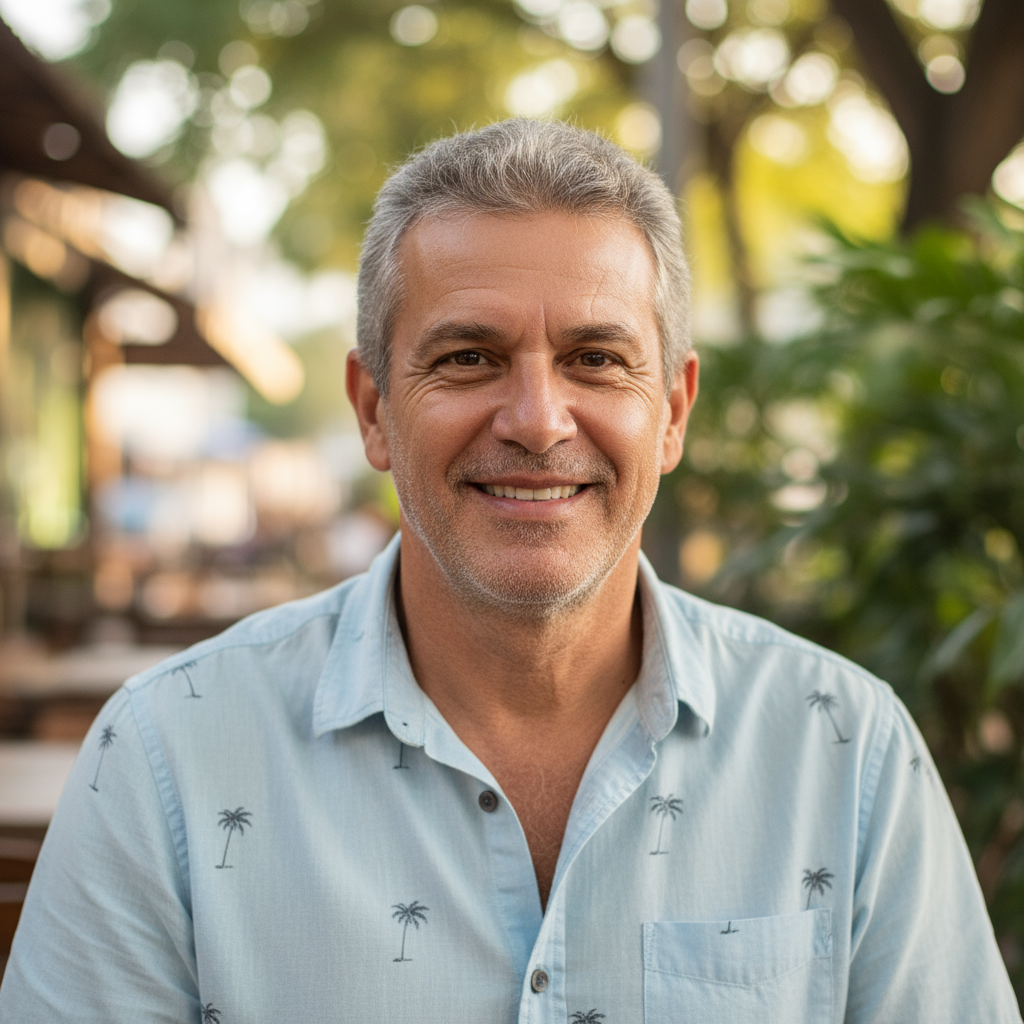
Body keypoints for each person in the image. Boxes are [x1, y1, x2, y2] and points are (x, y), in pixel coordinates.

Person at [1, 118, 1019, 1023]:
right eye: (467, 358)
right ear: (371, 411)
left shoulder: (845, 754)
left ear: (670, 410)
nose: (536, 420)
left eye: (595, 358)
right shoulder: (164, 757)